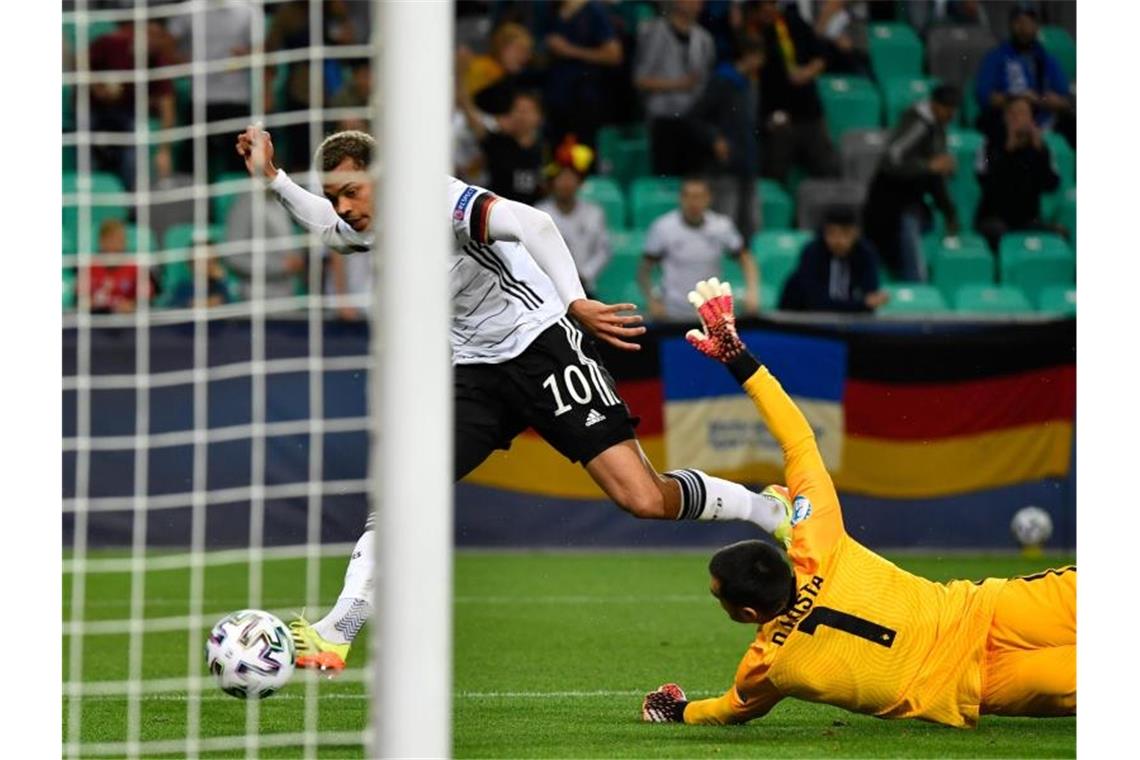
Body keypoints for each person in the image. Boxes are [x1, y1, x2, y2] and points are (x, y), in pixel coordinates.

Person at [236, 126, 797, 672]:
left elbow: (535, 222)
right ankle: (341, 627)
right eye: (334, 195)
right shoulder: (367, 221)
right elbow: (333, 233)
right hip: (474, 372)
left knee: (643, 498)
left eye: (350, 192)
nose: (343, 206)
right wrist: (276, 181)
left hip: (543, 345)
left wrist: (575, 300)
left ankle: (763, 507)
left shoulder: (441, 199)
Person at [639, 278, 1075, 727]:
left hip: (971, 681)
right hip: (984, 611)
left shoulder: (769, 667)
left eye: (719, 598)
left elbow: (729, 709)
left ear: (747, 613)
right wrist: (739, 360)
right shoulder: (818, 543)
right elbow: (798, 439)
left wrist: (678, 710)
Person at [862, 84, 960, 283]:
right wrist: (928, 166)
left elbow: (936, 177)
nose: (951, 114)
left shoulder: (938, 128)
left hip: (910, 202)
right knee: (907, 232)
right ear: (934, 105)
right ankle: (918, 288)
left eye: (954, 109)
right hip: (888, 204)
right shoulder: (919, 124)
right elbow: (891, 159)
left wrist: (949, 212)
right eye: (947, 108)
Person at [640, 177, 760, 322]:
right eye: (688, 196)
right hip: (672, 313)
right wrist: (652, 301)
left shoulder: (722, 227)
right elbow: (644, 270)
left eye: (699, 196)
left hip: (712, 314)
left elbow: (746, 260)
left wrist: (752, 292)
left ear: (708, 198)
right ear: (681, 198)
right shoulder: (663, 228)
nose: (693, 202)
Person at [749, 1, 839, 185]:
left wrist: (808, 72)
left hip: (808, 113)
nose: (768, 10)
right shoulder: (750, 32)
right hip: (776, 118)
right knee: (774, 175)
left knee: (828, 170)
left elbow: (821, 55)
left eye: (771, 5)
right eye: (763, 6)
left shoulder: (792, 22)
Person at [688, 35, 764, 242]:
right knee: (724, 224)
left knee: (751, 225)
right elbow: (695, 116)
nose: (760, 63)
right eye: (757, 57)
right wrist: (715, 139)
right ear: (747, 56)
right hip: (724, 167)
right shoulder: (722, 81)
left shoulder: (749, 84)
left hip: (747, 163)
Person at [633, 0, 717, 176]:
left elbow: (706, 81)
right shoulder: (653, 32)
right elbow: (641, 80)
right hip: (664, 118)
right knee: (665, 179)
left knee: (694, 179)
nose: (698, 5)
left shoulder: (704, 39)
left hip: (695, 120)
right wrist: (679, 84)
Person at [974, 95, 1062, 253]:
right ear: (1006, 117)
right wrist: (1008, 149)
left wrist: (1040, 151)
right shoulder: (988, 145)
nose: (1018, 118)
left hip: (1028, 219)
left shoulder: (1041, 148)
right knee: (998, 234)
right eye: (1013, 114)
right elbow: (984, 181)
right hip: (994, 217)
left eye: (1023, 114)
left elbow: (1052, 185)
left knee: (1058, 236)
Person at [974, 7, 1072, 144]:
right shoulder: (996, 57)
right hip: (1007, 115)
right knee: (993, 123)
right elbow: (985, 97)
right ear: (1011, 26)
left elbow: (1065, 98)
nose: (1023, 28)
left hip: (1044, 115)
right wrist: (1016, 98)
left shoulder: (1046, 58)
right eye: (1019, 23)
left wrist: (1052, 101)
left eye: (1028, 23)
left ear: (1036, 27)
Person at [536, 139, 612, 298]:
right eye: (561, 178)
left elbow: (604, 250)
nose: (566, 183)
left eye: (571, 178)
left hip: (585, 288)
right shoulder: (539, 212)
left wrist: (584, 274)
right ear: (552, 182)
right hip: (548, 289)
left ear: (580, 182)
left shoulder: (594, 213)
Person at [543, 0, 624, 149]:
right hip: (557, 97)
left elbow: (614, 55)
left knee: (583, 154)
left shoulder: (593, 10)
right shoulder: (551, 9)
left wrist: (569, 50)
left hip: (584, 98)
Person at [779, 206, 888, 313]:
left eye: (845, 233)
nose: (839, 241)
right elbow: (816, 302)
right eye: (832, 233)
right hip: (800, 320)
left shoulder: (865, 253)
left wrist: (865, 303)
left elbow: (871, 297)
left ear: (856, 233)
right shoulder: (812, 252)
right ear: (824, 232)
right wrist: (861, 304)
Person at [458, 89, 545, 206]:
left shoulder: (545, 148)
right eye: (517, 110)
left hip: (534, 212)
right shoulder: (497, 142)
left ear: (538, 116)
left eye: (526, 111)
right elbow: (472, 118)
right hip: (497, 211)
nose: (520, 115)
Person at [82, 219, 153, 314]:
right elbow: (79, 297)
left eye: (120, 239)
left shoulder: (135, 267)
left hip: (127, 320)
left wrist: (133, 305)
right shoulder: (89, 267)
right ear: (101, 241)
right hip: (96, 319)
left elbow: (147, 298)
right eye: (111, 239)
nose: (116, 244)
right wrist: (87, 302)